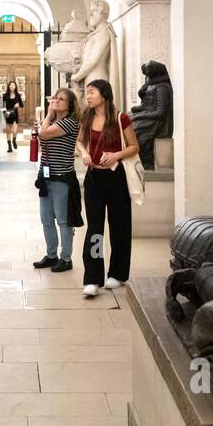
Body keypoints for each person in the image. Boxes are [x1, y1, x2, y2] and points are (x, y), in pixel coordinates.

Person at [77, 79, 139, 297]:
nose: (88, 96)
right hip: (94, 178)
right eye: (87, 92)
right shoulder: (87, 116)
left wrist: (116, 155)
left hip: (117, 178)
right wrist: (84, 153)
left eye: (91, 92)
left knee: (119, 226)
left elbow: (134, 146)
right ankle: (93, 278)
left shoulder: (121, 118)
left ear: (104, 94)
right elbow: (80, 141)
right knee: (95, 229)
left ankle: (118, 273)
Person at [32, 88, 82, 273]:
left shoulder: (70, 122)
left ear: (70, 105)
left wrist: (49, 113)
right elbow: (43, 135)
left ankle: (66, 258)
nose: (56, 101)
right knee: (46, 219)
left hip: (62, 178)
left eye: (61, 99)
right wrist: (50, 115)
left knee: (63, 220)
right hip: (46, 177)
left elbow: (43, 134)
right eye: (55, 98)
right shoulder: (52, 121)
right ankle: (51, 255)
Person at [2, 80, 25, 152]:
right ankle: (9, 147)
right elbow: (2, 105)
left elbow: (21, 105)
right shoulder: (5, 95)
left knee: (14, 131)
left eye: (13, 85)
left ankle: (14, 140)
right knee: (8, 131)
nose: (12, 86)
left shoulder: (18, 95)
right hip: (7, 114)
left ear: (15, 87)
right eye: (11, 85)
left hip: (15, 115)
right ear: (9, 86)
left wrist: (18, 105)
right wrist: (4, 112)